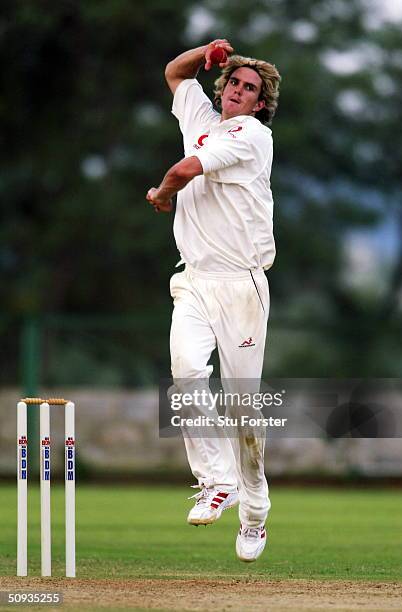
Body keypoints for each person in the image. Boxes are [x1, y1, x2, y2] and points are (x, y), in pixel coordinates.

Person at [146, 39, 281, 562]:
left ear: (258, 104)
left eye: (249, 89)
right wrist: (205, 52)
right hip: (196, 278)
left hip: (241, 284)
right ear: (223, 88)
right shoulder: (201, 116)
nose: (238, 92)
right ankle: (216, 483)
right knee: (184, 370)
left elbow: (182, 174)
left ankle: (255, 512)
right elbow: (174, 74)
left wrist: (160, 195)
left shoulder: (251, 136)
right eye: (234, 83)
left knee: (245, 410)